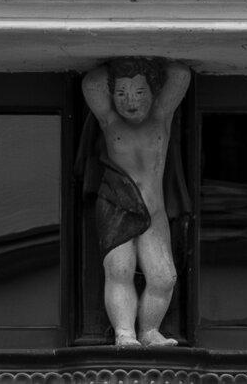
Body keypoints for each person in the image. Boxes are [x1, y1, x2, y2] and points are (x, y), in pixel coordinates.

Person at [81, 57, 191, 347]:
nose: (130, 101)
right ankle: (125, 333)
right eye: (121, 93)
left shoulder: (162, 116)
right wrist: (120, 65)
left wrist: (143, 62)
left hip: (153, 209)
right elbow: (91, 83)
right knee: (120, 270)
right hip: (116, 201)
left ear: (154, 92)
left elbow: (180, 74)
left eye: (139, 92)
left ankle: (149, 330)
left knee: (164, 277)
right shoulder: (110, 120)